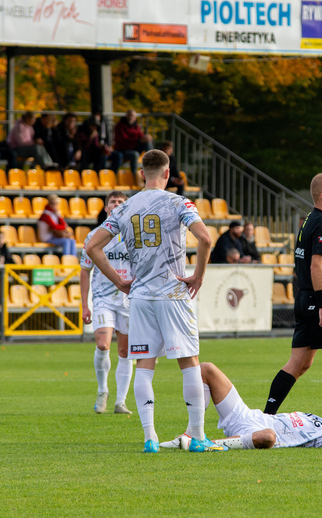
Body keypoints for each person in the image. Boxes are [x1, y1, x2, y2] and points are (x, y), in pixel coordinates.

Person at [86, 149, 222, 454]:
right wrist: (198, 275)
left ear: (141, 174)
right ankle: (198, 435)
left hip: (140, 297)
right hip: (173, 292)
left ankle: (150, 438)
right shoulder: (177, 202)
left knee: (145, 364)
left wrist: (118, 281)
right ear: (168, 173)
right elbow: (205, 238)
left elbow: (92, 245)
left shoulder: (125, 207)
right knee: (189, 363)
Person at [159, 362, 322, 451]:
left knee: (268, 437)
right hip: (248, 415)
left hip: (257, 432)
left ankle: (208, 442)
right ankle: (192, 432)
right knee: (206, 369)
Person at [263, 173, 322, 415]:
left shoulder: (309, 219)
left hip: (303, 298)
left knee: (299, 363)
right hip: (320, 300)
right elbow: (316, 266)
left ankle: (266, 417)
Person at [80, 191, 134, 415]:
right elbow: (84, 271)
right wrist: (84, 305)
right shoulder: (94, 236)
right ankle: (103, 390)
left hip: (128, 299)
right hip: (103, 298)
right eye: (113, 201)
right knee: (103, 344)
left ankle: (120, 402)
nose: (117, 204)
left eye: (121, 202)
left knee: (125, 350)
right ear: (106, 208)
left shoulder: (134, 236)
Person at [113, 109, 153, 176]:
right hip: (123, 150)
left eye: (133, 116)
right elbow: (124, 140)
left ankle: (151, 162)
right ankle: (133, 175)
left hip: (134, 148)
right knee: (135, 154)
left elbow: (141, 136)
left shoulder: (136, 126)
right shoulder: (120, 126)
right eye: (130, 115)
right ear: (126, 116)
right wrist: (139, 140)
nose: (131, 117)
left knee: (147, 142)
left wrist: (146, 138)